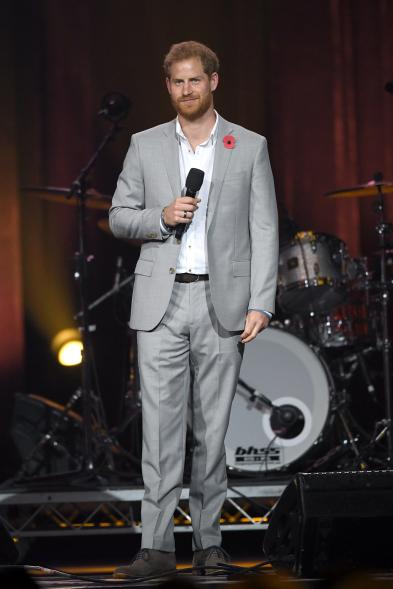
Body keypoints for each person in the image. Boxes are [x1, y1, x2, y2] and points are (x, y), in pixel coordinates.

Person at [109, 40, 278, 578]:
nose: (186, 90)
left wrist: (262, 302)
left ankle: (209, 543)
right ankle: (156, 548)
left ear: (213, 81)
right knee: (158, 430)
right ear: (169, 87)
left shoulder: (248, 146)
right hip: (162, 299)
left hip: (221, 300)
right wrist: (160, 216)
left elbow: (265, 228)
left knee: (212, 430)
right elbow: (118, 216)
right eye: (177, 82)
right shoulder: (145, 144)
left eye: (194, 81)